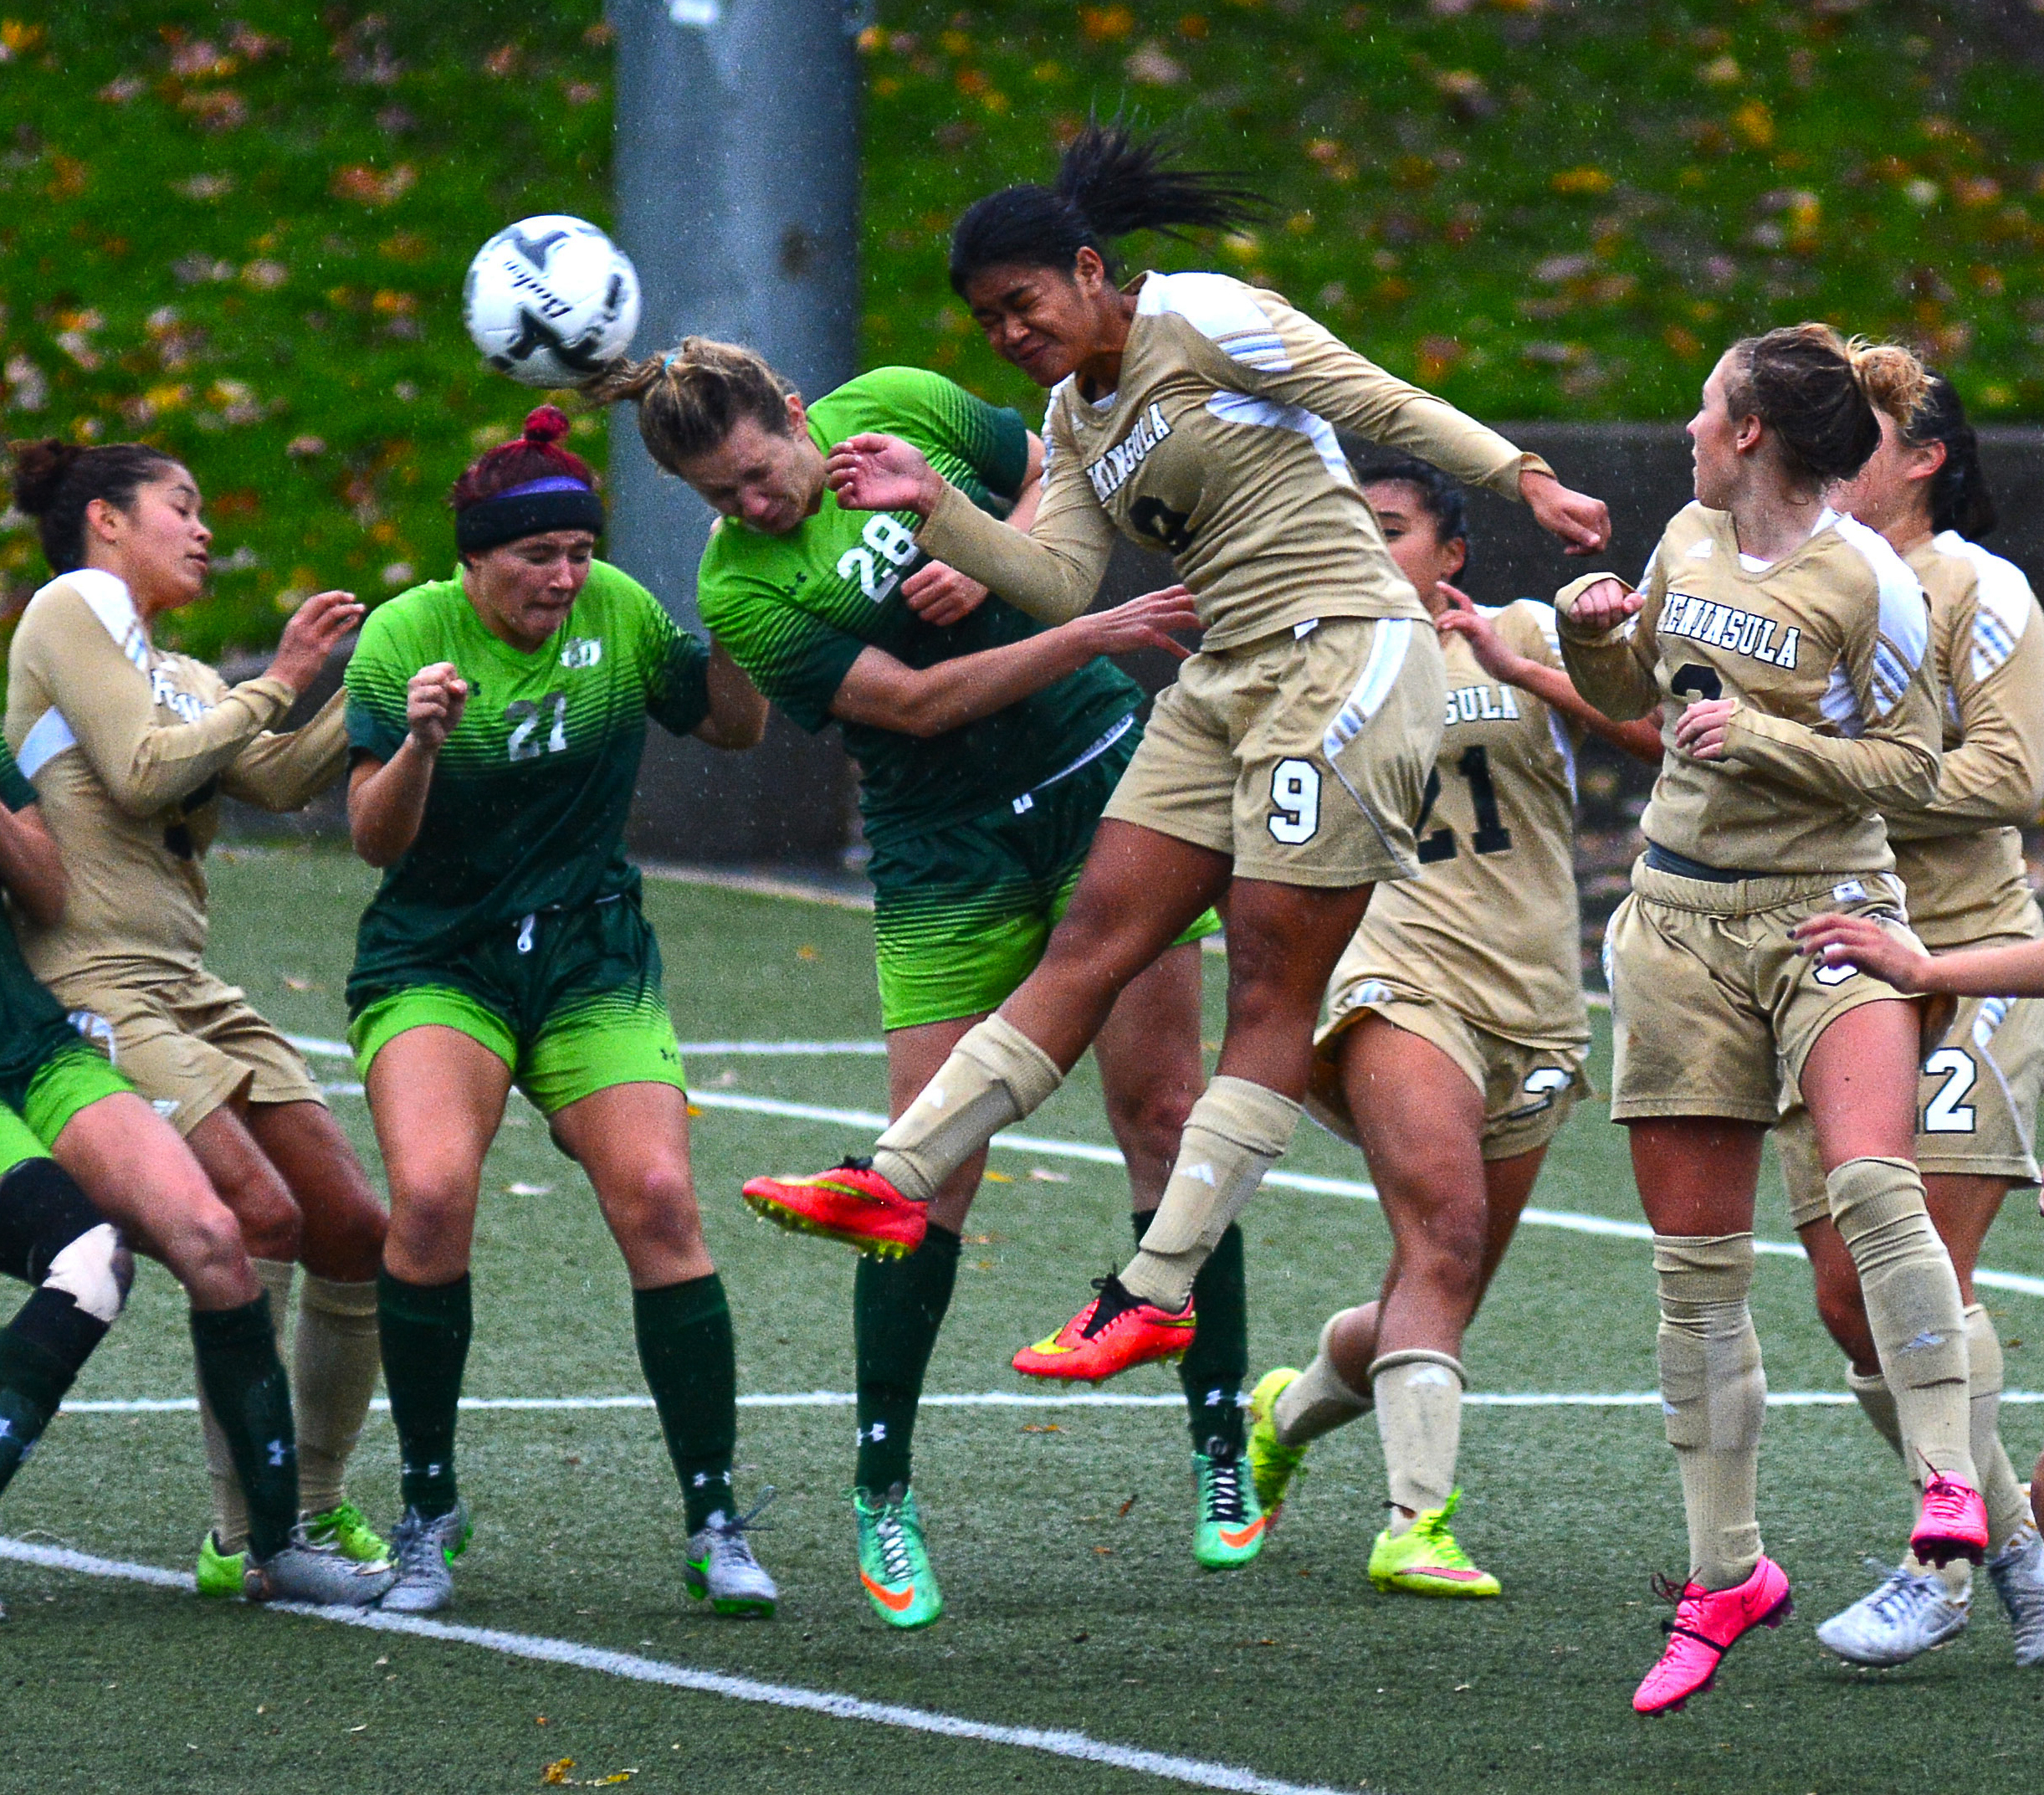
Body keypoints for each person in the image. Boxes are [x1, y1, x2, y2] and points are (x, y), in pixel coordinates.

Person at [743, 123, 1610, 1392]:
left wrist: (1522, 474)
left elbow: (1372, 397)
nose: (1009, 331)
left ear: (1091, 271)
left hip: (1344, 656)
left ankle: (1154, 1290)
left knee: (1267, 976)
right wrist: (937, 507)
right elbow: (1058, 579)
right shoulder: (1071, 413)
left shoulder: (1200, 316)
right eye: (987, 319)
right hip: (1225, 681)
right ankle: (897, 1175)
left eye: (1024, 302)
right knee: (1092, 936)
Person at [599, 339, 1242, 1624]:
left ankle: (1220, 1440)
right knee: (921, 1169)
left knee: (1167, 1115)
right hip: (945, 845)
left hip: (1099, 782)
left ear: (798, 412)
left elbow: (1056, 468)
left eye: (760, 472)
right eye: (721, 497)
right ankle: (882, 1487)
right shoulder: (742, 589)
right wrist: (1085, 628)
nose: (753, 505)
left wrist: (994, 544)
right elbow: (919, 703)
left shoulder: (897, 407)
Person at [1554, 324, 1990, 1716]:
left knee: (1873, 1182)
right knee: (1697, 1273)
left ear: (1749, 431)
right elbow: (1637, 699)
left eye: (1705, 407)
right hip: (1679, 921)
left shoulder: (1870, 579)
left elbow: (1914, 769)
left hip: (1829, 913)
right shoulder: (1687, 538)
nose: (1688, 426)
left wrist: (1768, 739)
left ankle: (1948, 1483)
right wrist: (1591, 639)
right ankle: (1724, 1572)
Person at [343, 407, 774, 1616]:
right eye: (539, 555)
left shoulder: (619, 613)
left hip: (591, 950)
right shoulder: (405, 636)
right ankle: (428, 1508)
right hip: (440, 957)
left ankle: (714, 1519)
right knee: (433, 1195)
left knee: (662, 1198)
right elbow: (375, 838)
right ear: (476, 558)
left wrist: (736, 627)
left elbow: (735, 725)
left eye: (581, 551)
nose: (566, 576)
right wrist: (422, 742)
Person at [1242, 458, 1662, 1598]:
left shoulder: (1522, 629)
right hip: (1395, 980)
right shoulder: (1308, 659)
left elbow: (1664, 738)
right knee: (1444, 1233)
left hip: (1534, 1001)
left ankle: (1286, 1410)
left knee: (1441, 1280)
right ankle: (1413, 1523)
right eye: (1348, 528)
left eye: (1390, 528)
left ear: (1452, 553)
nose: (1367, 546)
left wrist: (1528, 670)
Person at [3, 438, 392, 1594]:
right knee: (251, 1217)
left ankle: (308, 1505)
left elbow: (274, 777)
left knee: (350, 1222)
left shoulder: (177, 669)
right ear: (107, 520)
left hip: (190, 983)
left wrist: (389, 689)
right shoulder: (71, 607)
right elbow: (141, 772)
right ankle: (248, 1538)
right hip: (95, 988)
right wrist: (282, 675)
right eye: (181, 504)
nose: (204, 527)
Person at [1772, 375, 2044, 1669]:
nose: (1826, 454)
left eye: (1861, 438)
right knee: (1848, 1298)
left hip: (1967, 958)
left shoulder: (1976, 586)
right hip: (1826, 970)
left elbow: (2016, 772)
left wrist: (1815, 768)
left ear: (1925, 458)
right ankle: (2019, 1547)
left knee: (1923, 1261)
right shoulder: (1781, 575)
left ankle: (1937, 1567)